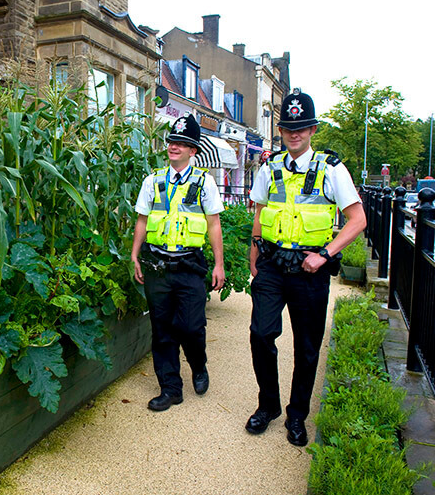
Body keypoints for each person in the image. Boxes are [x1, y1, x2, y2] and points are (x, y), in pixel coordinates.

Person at [245, 89, 366, 445]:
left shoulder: (331, 169)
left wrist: (325, 254)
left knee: (307, 346)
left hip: (310, 270)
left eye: (301, 128)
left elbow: (357, 220)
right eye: (287, 128)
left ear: (312, 130)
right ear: (280, 131)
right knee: (260, 334)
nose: (293, 134)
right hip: (271, 265)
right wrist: (254, 257)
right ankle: (268, 405)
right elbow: (259, 213)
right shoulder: (269, 167)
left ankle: (297, 415)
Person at [131, 114, 226, 412]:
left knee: (191, 327)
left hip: (189, 266)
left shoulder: (204, 182)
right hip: (157, 264)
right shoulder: (153, 180)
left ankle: (199, 366)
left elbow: (214, 225)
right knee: (162, 330)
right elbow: (142, 220)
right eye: (172, 141)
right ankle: (171, 389)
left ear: (193, 151)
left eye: (182, 143)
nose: (174, 147)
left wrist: (218, 265)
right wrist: (135, 254)